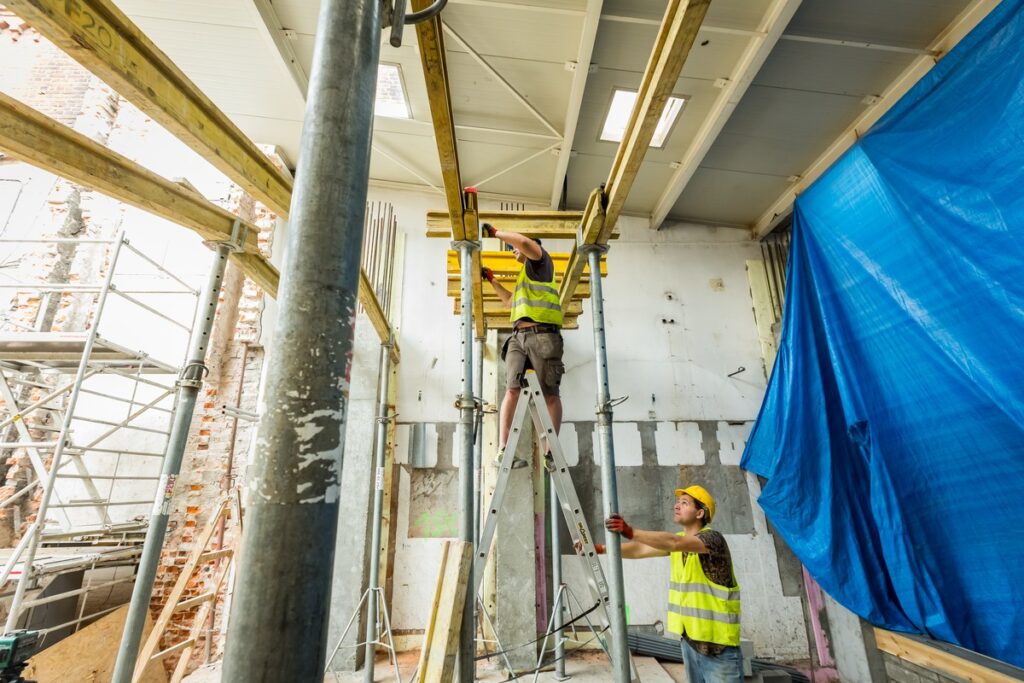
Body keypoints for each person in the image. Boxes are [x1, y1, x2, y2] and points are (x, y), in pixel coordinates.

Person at [595, 486, 743, 683]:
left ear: (700, 513)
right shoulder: (679, 541)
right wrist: (603, 549)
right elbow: (640, 550)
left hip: (719, 649)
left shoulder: (713, 539)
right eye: (677, 502)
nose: (676, 506)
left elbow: (673, 542)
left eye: (685, 503)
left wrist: (630, 531)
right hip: (690, 643)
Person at [480, 222, 563, 467]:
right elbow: (508, 301)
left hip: (543, 336)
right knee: (512, 390)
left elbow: (526, 243)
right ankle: (504, 448)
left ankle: (550, 451)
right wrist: (492, 280)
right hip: (518, 337)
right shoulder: (525, 279)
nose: (513, 250)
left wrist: (495, 233)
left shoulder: (540, 262)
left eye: (513, 246)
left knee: (549, 394)